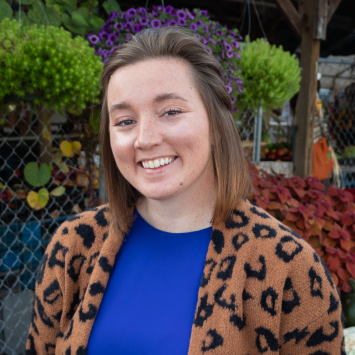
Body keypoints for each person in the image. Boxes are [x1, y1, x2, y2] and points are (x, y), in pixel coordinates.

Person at [26, 27, 344, 355]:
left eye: (171, 112)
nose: (145, 139)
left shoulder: (291, 268)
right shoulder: (73, 244)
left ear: (217, 126)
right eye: (124, 121)